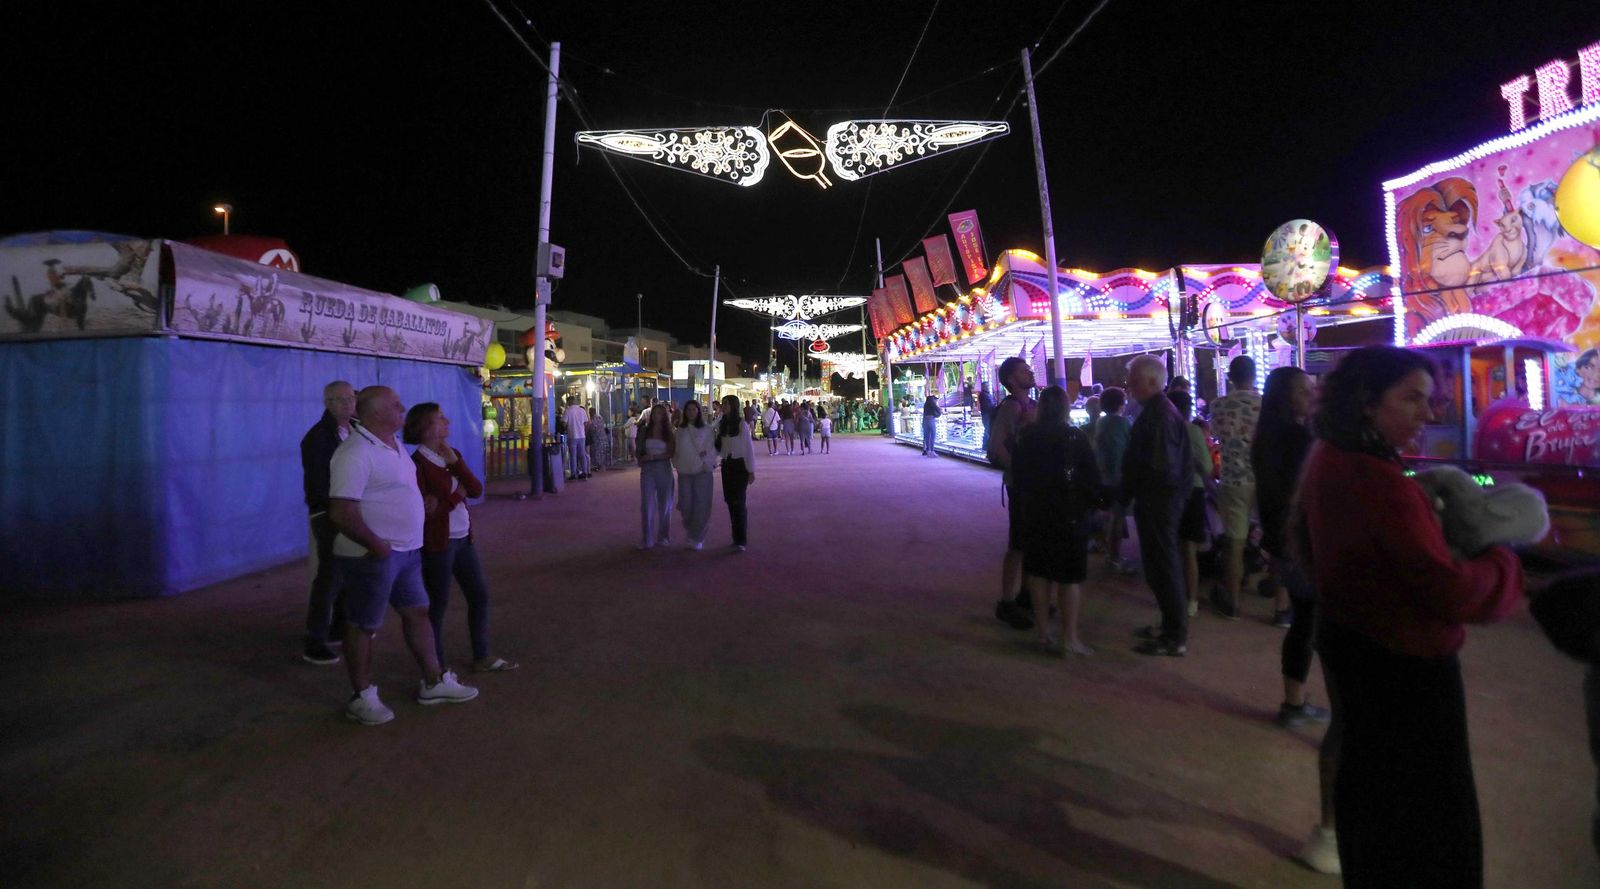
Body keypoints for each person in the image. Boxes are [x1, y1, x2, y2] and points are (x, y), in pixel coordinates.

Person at [1297, 346, 1522, 886]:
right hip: (1406, 666)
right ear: (1368, 404)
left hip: (1353, 642)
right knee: (1426, 821)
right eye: (1412, 399)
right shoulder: (1379, 483)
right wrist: (1501, 562)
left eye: (1430, 399)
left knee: (1373, 799)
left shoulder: (1330, 457)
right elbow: (1446, 589)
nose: (1428, 413)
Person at [328, 386, 478, 725]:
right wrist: (377, 545)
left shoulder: (393, 446)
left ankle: (434, 682)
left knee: (418, 612)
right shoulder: (354, 453)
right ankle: (362, 696)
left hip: (407, 552)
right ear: (377, 412)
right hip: (373, 555)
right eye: (396, 405)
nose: (403, 409)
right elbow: (341, 511)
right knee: (363, 625)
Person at [1249, 366, 1337, 874]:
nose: (1312, 396)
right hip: (1299, 543)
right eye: (1306, 391)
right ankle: (1295, 701)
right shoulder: (1298, 438)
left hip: (1284, 542)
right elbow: (1300, 494)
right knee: (1313, 620)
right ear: (1290, 398)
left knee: (1304, 618)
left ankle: (1295, 699)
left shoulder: (1270, 434)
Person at [405, 402, 517, 674]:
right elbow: (425, 512)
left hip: (463, 538)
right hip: (438, 543)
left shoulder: (450, 454)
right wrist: (457, 495)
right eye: (440, 419)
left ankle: (482, 655)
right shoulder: (417, 464)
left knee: (479, 594)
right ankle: (437, 668)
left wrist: (456, 468)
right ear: (426, 428)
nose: (448, 423)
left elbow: (476, 488)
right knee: (437, 605)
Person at [1011, 385, 1101, 657]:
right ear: (1065, 408)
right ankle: (1069, 638)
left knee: (1039, 574)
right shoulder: (1076, 436)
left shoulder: (1027, 437)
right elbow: (1091, 477)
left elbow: (1019, 474)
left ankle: (1043, 633)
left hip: (1036, 513)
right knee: (1069, 577)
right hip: (1069, 514)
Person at [1124, 354, 1192, 657]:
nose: (1128, 387)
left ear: (1152, 382)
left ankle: (1175, 635)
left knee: (1163, 566)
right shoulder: (1158, 411)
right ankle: (1170, 626)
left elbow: (1159, 467)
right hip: (1159, 499)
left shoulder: (1160, 415)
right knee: (1159, 566)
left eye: (1133, 381)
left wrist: (1129, 490)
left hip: (1159, 500)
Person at [299, 380, 355, 666]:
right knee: (330, 576)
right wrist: (339, 509)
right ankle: (314, 639)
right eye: (339, 399)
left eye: (350, 397)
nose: (347, 403)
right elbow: (321, 485)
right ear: (327, 403)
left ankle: (338, 628)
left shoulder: (357, 431)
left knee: (345, 572)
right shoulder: (318, 438)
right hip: (330, 513)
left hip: (350, 511)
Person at [1208, 356, 1262, 620]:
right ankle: (1279, 603)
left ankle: (1233, 602)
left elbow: (1215, 435)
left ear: (1230, 376)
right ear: (1254, 374)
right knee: (1274, 538)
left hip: (1233, 480)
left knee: (1234, 544)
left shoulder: (1219, 405)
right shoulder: (1264, 405)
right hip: (1262, 478)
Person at [986, 356, 1038, 631]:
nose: (1030, 372)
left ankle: (1027, 596)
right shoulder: (1011, 407)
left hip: (1033, 485)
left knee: (1030, 542)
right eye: (1023, 371)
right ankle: (1007, 602)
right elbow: (995, 447)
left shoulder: (1030, 405)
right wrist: (1018, 470)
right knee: (1018, 545)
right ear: (1011, 380)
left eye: (1029, 369)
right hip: (1021, 485)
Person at [1169, 391, 1212, 619]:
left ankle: (1174, 596)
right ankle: (1192, 598)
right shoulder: (1194, 431)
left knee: (1172, 547)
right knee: (1189, 549)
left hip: (1169, 492)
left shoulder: (1162, 430)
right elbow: (1206, 466)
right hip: (1192, 490)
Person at [1095, 388, 1136, 575]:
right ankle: (1115, 558)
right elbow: (1126, 449)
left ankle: (1109, 554)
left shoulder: (1101, 422)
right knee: (1117, 520)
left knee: (1109, 516)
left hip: (1103, 477)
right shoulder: (1123, 423)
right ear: (1121, 404)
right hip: (1118, 477)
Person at [714, 395, 756, 551]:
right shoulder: (722, 423)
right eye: (722, 404)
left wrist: (751, 470)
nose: (723, 407)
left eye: (726, 404)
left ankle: (741, 540)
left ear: (733, 405)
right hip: (727, 465)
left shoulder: (741, 425)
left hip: (739, 466)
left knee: (738, 502)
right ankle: (736, 537)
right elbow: (718, 446)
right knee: (730, 501)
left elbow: (748, 448)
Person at [673, 400, 716, 550]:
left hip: (702, 471)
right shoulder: (681, 430)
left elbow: (712, 448)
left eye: (694, 409)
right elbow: (676, 449)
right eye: (688, 410)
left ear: (698, 411)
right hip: (684, 471)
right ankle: (691, 529)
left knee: (701, 504)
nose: (691, 412)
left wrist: (707, 463)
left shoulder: (707, 429)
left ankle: (697, 536)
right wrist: (677, 464)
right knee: (685, 504)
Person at [635, 403, 676, 549]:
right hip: (648, 470)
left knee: (665, 503)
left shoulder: (669, 432)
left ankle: (664, 536)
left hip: (664, 467)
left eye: (660, 413)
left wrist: (653, 457)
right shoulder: (645, 430)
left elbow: (671, 452)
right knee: (647, 504)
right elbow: (639, 449)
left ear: (664, 415)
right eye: (655, 413)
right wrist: (641, 458)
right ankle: (647, 538)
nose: (657, 415)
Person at [562, 395, 590, 480]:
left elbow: (564, 423)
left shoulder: (568, 411)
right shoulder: (582, 410)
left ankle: (574, 474)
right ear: (575, 401)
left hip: (572, 436)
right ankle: (585, 472)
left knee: (573, 456)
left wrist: (566, 426)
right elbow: (586, 423)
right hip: (582, 436)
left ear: (569, 402)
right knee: (582, 455)